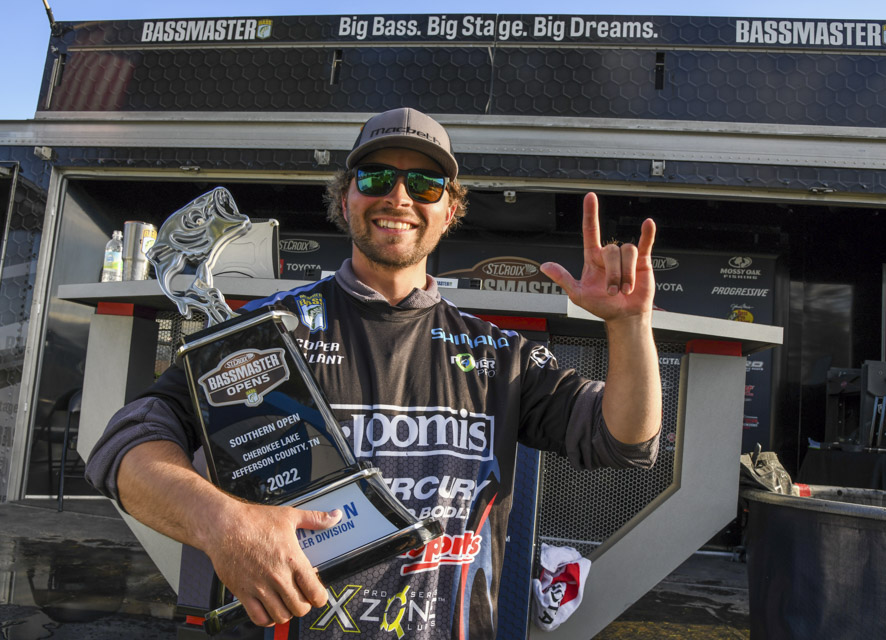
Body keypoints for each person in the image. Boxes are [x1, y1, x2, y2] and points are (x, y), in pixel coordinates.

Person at [86, 107, 662, 639]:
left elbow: (625, 442)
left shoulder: (498, 354)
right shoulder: (265, 334)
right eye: (375, 178)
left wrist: (630, 327)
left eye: (426, 184)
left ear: (450, 209)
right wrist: (222, 524)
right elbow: (124, 448)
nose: (399, 197)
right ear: (345, 200)